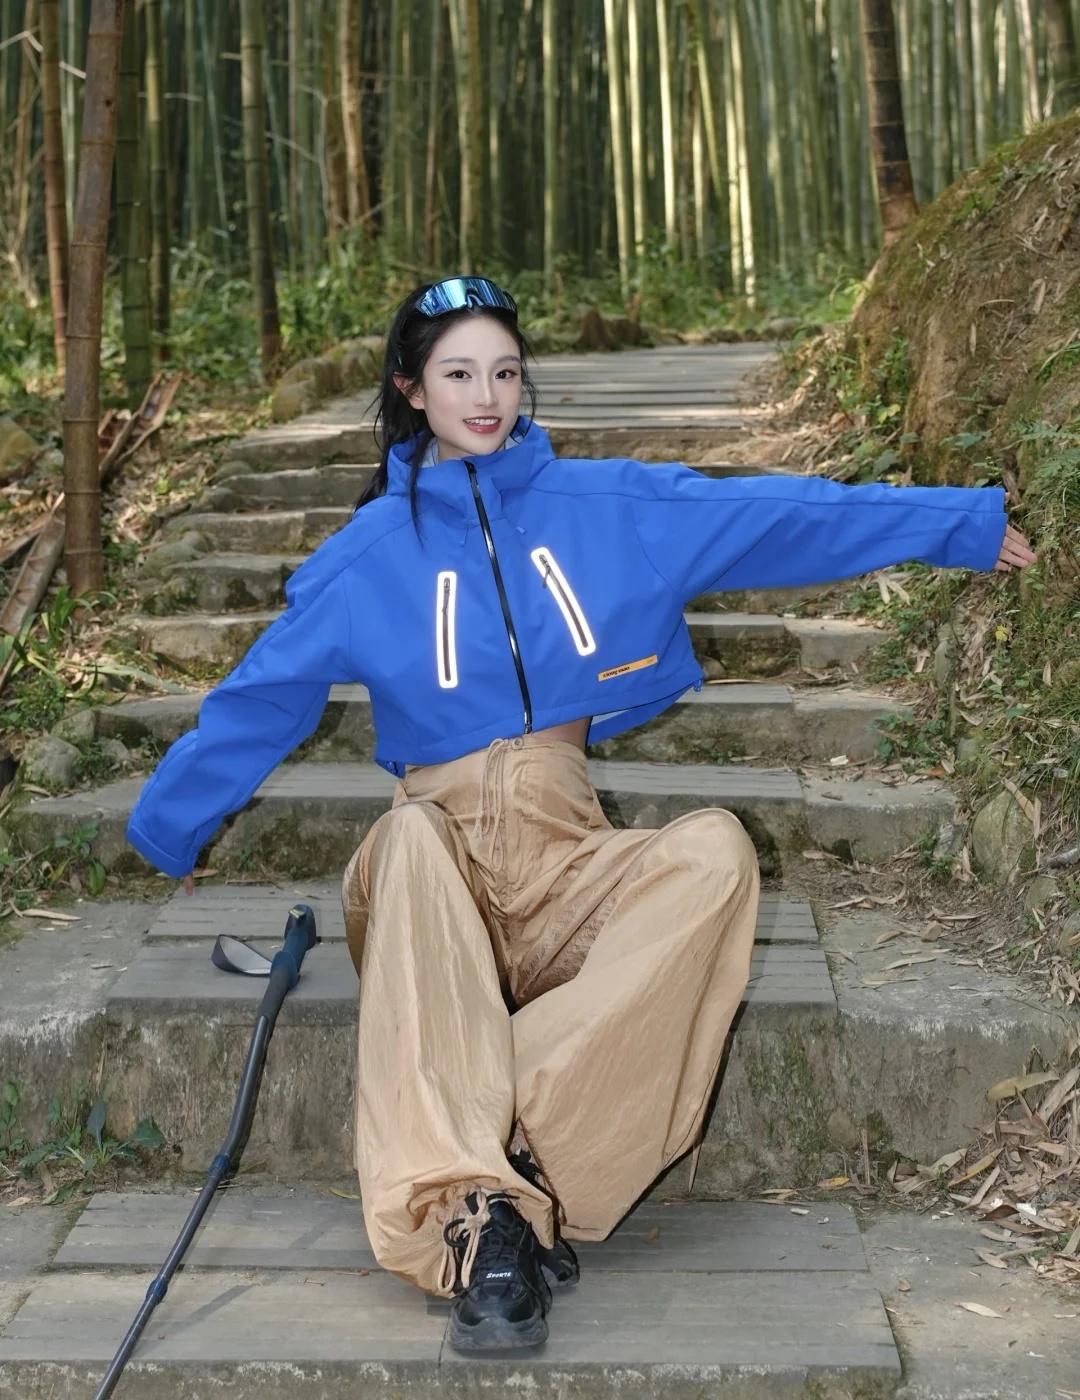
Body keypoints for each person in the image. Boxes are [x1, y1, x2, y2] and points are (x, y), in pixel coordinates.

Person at [126, 275, 1036, 1354]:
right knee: (407, 838)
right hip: (436, 888)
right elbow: (259, 699)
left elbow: (776, 514)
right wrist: (170, 826)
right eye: (459, 373)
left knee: (715, 851)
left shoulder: (606, 508)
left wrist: (956, 525)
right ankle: (474, 1216)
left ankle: (513, 1156)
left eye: (505, 371)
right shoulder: (366, 556)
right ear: (412, 389)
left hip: (568, 862)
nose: (487, 395)